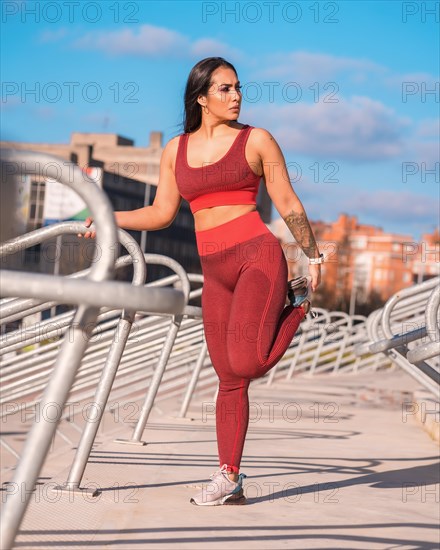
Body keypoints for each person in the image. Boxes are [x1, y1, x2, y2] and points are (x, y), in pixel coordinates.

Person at [80, 57, 322, 506]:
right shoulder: (176, 149)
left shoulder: (257, 139)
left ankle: (299, 306)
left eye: (237, 88)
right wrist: (109, 218)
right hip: (215, 271)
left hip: (257, 257)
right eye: (225, 89)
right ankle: (228, 476)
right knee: (228, 376)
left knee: (246, 362)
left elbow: (287, 200)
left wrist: (313, 255)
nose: (236, 96)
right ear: (201, 97)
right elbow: (160, 213)